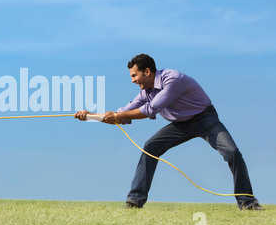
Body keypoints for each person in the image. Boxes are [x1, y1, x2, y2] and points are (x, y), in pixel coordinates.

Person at [75, 54, 262, 210]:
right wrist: (91, 116)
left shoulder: (173, 79)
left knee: (232, 152)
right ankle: (135, 200)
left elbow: (150, 109)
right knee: (150, 147)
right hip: (180, 124)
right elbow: (124, 115)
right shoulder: (145, 92)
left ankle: (247, 202)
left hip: (205, 119)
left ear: (147, 71)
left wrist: (117, 114)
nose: (133, 80)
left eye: (134, 75)